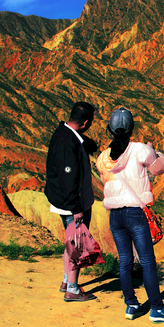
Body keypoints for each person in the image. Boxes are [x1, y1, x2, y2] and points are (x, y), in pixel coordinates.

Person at [95, 107, 164, 323]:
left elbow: (106, 179)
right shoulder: (140, 150)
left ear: (110, 130)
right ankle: (157, 309)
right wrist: (155, 151)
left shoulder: (103, 157)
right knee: (148, 262)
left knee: (125, 262)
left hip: (115, 216)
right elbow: (159, 168)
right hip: (135, 213)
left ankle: (131, 305)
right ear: (131, 128)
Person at [45, 101, 99, 302]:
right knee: (77, 245)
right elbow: (69, 178)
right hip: (72, 204)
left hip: (62, 201)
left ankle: (67, 281)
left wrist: (88, 145)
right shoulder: (68, 144)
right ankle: (73, 290)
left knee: (70, 242)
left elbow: (79, 143)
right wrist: (77, 208)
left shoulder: (64, 133)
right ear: (85, 122)